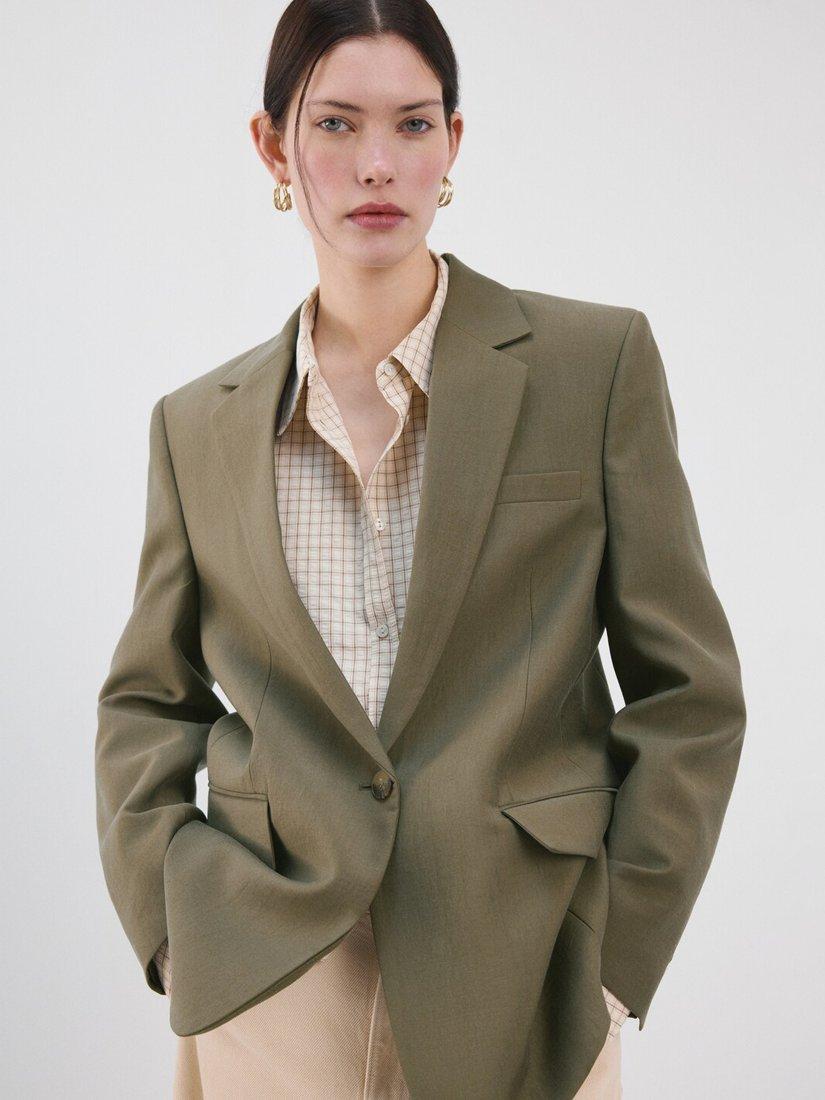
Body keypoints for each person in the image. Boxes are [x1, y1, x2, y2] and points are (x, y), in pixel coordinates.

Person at [94, 2, 747, 1098]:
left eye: (412, 123)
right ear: (273, 147)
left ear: (453, 142)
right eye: (336, 123)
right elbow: (146, 701)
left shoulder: (593, 365)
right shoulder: (197, 425)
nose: (377, 164)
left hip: (524, 972)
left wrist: (614, 957)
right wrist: (173, 925)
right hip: (268, 977)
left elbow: (691, 692)